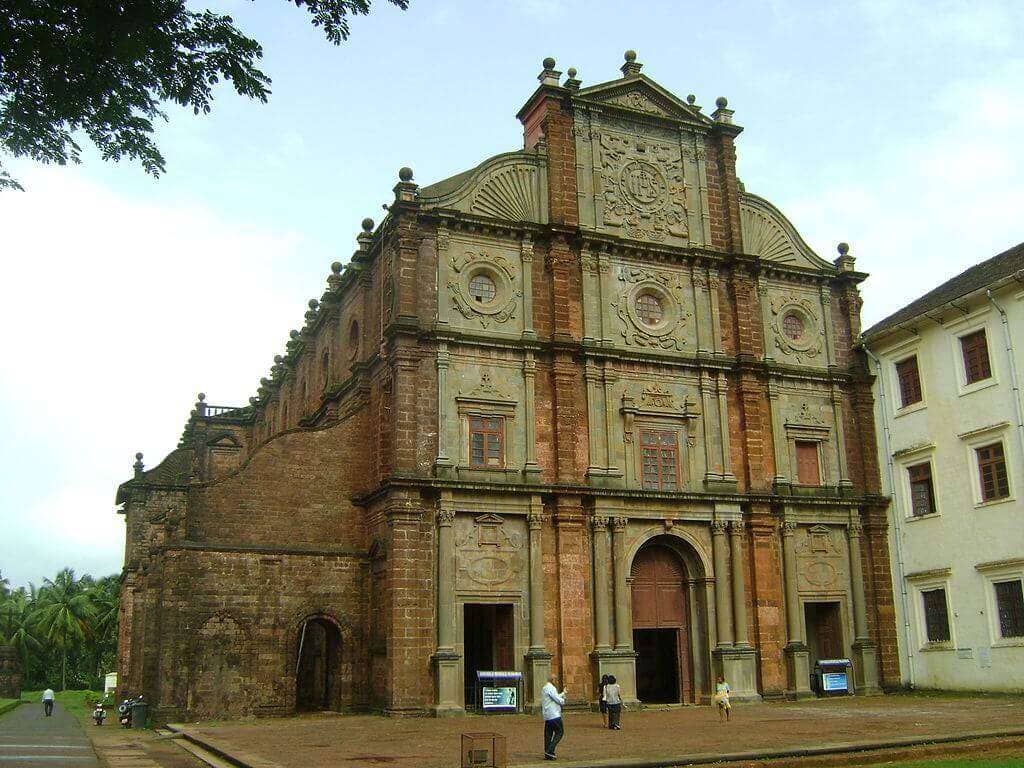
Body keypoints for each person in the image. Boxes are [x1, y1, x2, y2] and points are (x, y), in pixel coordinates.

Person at [541, 674, 567, 761]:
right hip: (554, 714)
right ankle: (550, 750)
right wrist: (563, 701)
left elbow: (553, 697)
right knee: (560, 732)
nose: (557, 682)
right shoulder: (551, 688)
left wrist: (563, 693)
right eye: (556, 680)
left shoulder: (545, 688)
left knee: (548, 735)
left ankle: (548, 754)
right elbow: (557, 699)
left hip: (547, 715)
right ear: (552, 680)